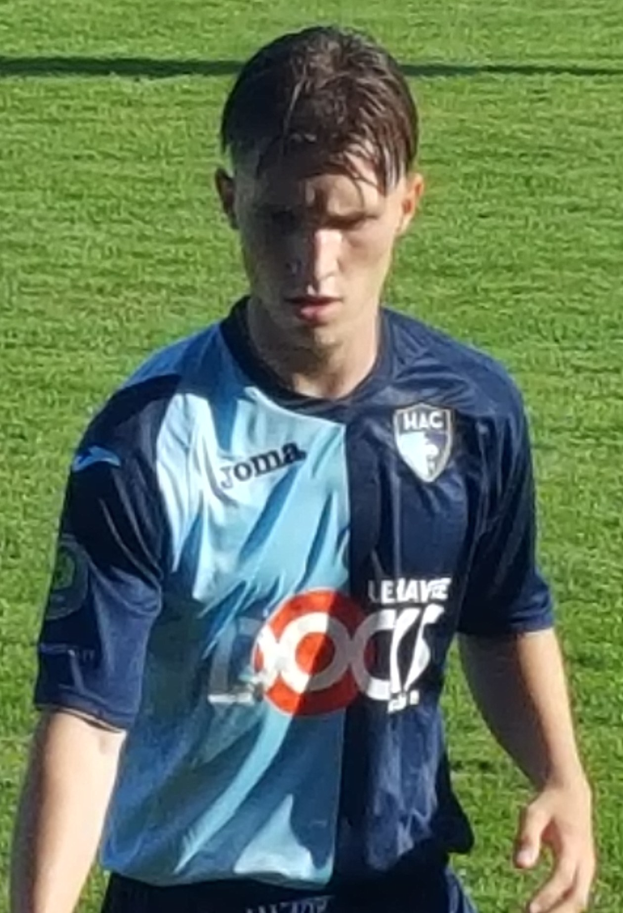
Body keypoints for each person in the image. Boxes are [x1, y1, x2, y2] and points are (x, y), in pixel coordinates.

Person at [10, 25, 594, 913]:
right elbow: (87, 723)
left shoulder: (472, 408)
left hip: (405, 888)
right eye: (281, 216)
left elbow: (503, 609)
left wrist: (561, 773)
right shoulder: (146, 440)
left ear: (407, 205)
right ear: (227, 200)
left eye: (348, 219)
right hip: (198, 895)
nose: (313, 263)